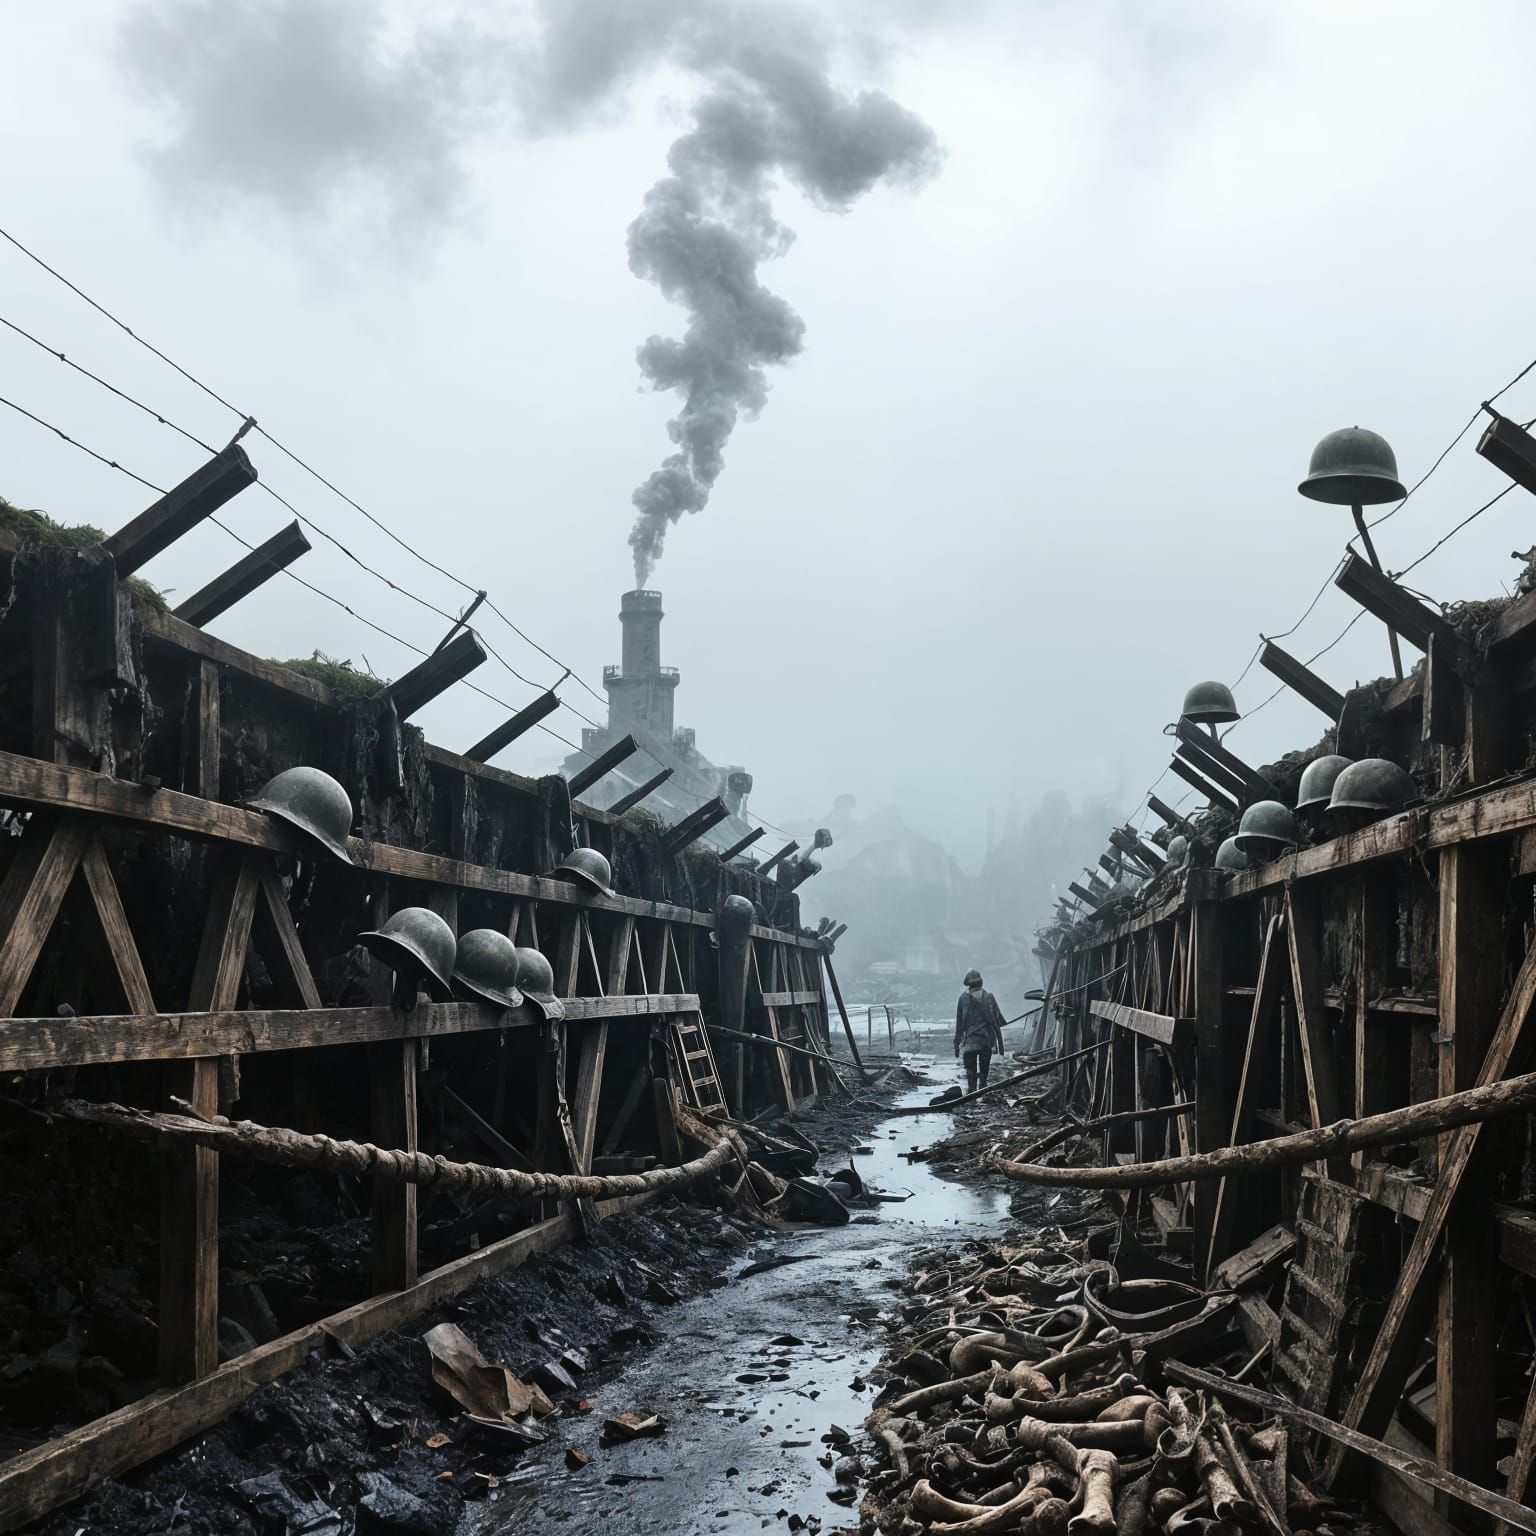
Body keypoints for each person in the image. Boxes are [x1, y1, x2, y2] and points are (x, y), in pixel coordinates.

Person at [954, 969, 1007, 1094]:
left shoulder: (963, 999)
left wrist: (956, 1045)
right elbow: (997, 1022)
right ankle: (982, 1093)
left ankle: (971, 1096)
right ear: (981, 983)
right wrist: (1000, 1046)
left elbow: (959, 1025)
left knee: (970, 1075)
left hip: (970, 1044)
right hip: (985, 1042)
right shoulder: (989, 997)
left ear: (969, 985)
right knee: (984, 1074)